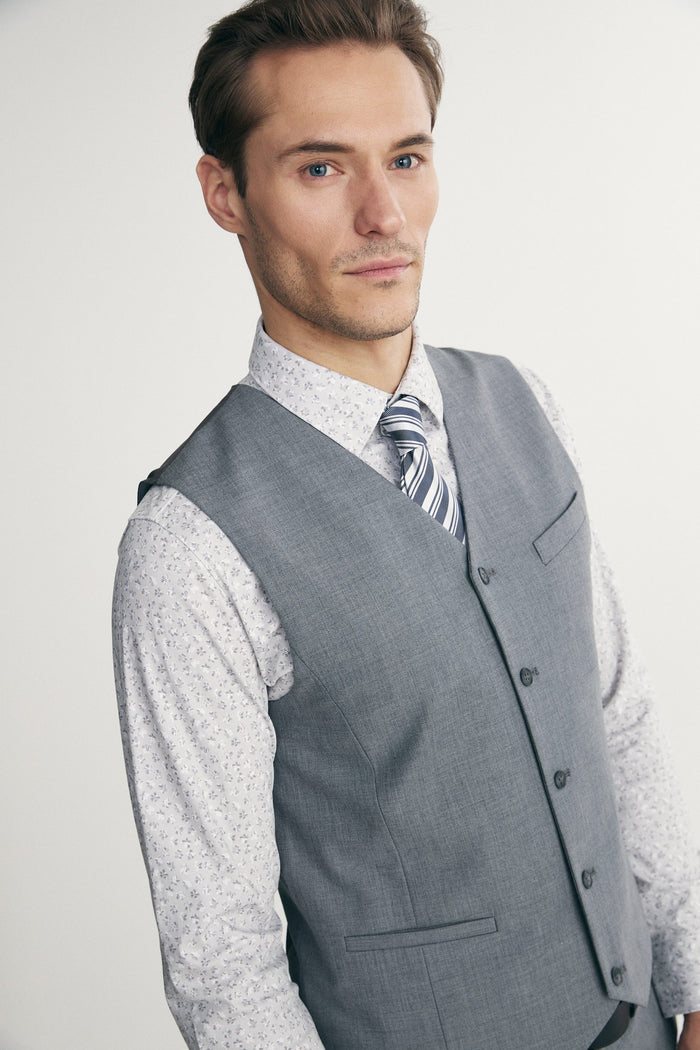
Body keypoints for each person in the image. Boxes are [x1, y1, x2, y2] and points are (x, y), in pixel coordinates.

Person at [112, 1, 700, 1047]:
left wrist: (693, 974)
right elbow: (223, 961)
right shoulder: (190, 543)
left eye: (407, 158)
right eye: (321, 168)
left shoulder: (521, 401)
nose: (384, 214)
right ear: (225, 193)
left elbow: (613, 712)